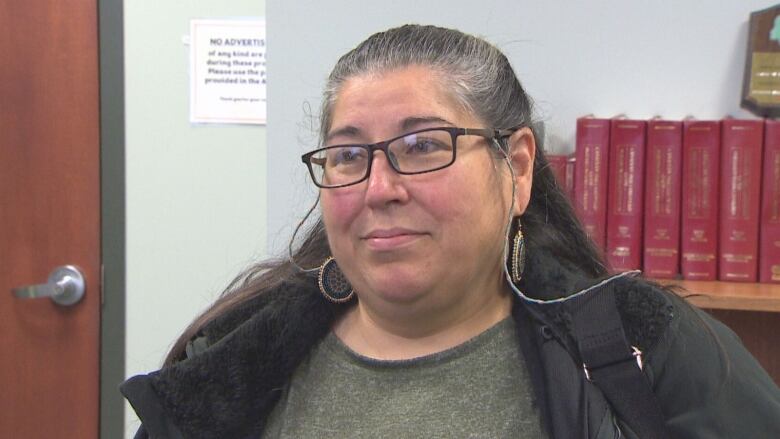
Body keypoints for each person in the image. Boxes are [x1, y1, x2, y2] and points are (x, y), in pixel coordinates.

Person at [122, 24, 780, 438]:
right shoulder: (233, 354)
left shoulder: (645, 347)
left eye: (423, 145)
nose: (381, 189)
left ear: (516, 168)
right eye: (349, 155)